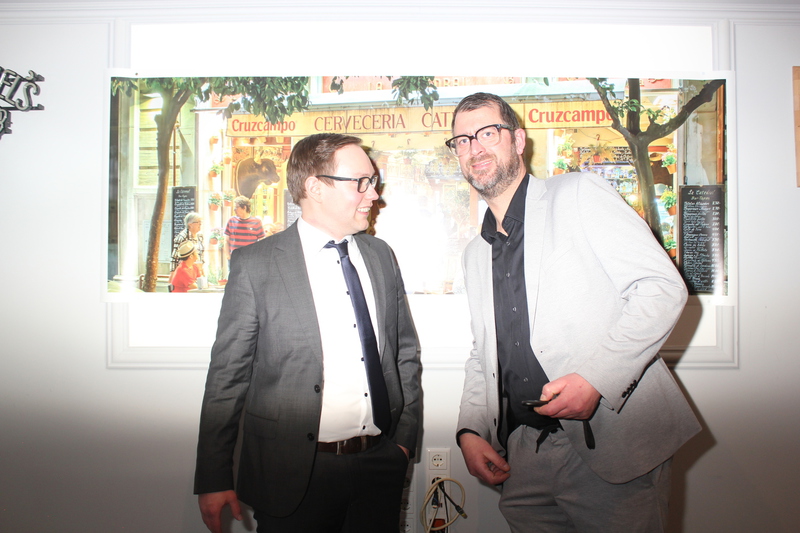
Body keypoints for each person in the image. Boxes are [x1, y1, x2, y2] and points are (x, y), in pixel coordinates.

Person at [450, 92, 701, 532]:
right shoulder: (474, 254)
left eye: (488, 133)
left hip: (613, 443)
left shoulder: (579, 193)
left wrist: (595, 380)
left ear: (518, 140)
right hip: (523, 456)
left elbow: (660, 288)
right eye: (462, 140)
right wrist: (470, 431)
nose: (475, 148)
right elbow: (482, 353)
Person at [194, 133, 421, 533]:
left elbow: (405, 354)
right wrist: (213, 476)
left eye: (373, 182)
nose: (374, 195)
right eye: (362, 182)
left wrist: (401, 444)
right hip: (290, 474)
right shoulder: (256, 265)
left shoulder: (381, 256)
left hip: (380, 467)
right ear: (316, 187)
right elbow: (227, 378)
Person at [223, 195, 266, 261]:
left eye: (236, 207)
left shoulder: (257, 222)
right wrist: (227, 255)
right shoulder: (231, 221)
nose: (234, 209)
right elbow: (226, 240)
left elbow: (262, 241)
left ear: (244, 207)